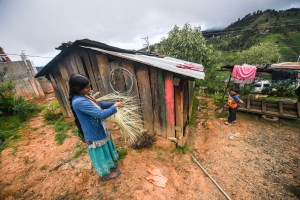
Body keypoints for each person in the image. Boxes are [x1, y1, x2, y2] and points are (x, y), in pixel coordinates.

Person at [68, 74, 124, 181]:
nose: (90, 89)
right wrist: (114, 107)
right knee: (100, 153)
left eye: (89, 86)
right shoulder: (79, 102)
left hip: (99, 128)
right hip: (93, 133)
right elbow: (101, 114)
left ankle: (110, 165)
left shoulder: (85, 96)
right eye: (87, 87)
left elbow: (99, 104)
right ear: (77, 89)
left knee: (106, 148)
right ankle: (105, 174)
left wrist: (114, 103)